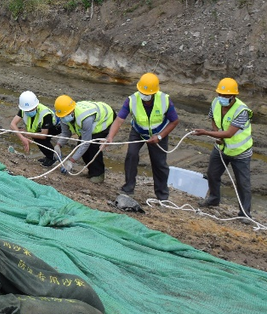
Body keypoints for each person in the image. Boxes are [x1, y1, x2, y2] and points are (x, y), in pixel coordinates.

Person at [104, 72, 179, 200]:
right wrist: (110, 137)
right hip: (138, 132)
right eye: (142, 93)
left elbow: (174, 121)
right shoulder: (131, 100)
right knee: (131, 155)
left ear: (154, 93)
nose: (144, 96)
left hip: (158, 133)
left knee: (159, 163)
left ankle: (162, 196)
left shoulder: (164, 100)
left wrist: (160, 137)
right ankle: (128, 188)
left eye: (147, 94)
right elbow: (119, 120)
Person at [191, 78, 253, 218]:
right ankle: (214, 199)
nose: (222, 98)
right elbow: (213, 117)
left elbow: (230, 133)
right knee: (212, 174)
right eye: (220, 95)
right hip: (221, 148)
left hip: (240, 153)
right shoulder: (215, 103)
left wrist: (207, 133)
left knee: (243, 183)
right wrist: (216, 134)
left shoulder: (241, 111)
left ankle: (245, 214)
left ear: (233, 96)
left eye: (225, 96)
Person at [54, 95, 114, 183]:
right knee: (81, 145)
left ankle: (98, 174)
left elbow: (86, 143)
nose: (64, 118)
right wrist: (58, 145)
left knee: (92, 145)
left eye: (66, 115)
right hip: (93, 121)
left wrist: (71, 161)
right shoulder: (63, 116)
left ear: (72, 111)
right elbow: (66, 133)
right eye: (62, 116)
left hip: (105, 118)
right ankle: (91, 172)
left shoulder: (85, 119)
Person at [9, 91, 59, 167]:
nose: (29, 112)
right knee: (36, 136)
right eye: (27, 111)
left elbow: (43, 135)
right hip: (42, 127)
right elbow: (12, 124)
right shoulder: (24, 109)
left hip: (56, 126)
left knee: (39, 138)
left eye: (31, 110)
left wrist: (26, 134)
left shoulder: (45, 114)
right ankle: (49, 156)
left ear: (36, 106)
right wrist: (22, 137)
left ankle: (52, 158)